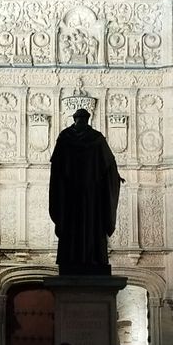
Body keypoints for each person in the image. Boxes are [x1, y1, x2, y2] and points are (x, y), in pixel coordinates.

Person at [48, 108, 125, 276]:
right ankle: (93, 258)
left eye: (81, 119)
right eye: (81, 119)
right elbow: (109, 166)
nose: (81, 121)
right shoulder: (96, 138)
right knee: (92, 225)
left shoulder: (65, 138)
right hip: (91, 195)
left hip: (71, 195)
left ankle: (72, 259)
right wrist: (114, 178)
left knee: (73, 226)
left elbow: (57, 167)